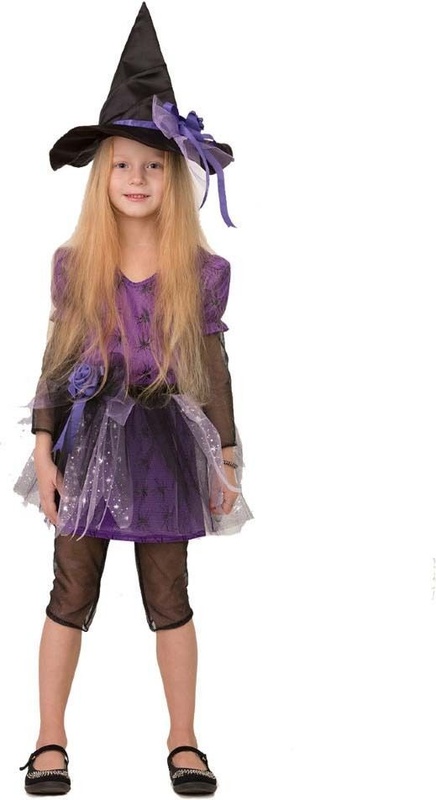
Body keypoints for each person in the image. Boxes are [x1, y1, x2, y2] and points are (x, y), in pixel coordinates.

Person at [15, 3, 252, 796]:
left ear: (174, 176)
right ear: (103, 174)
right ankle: (49, 738)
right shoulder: (76, 262)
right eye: (123, 165)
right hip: (86, 444)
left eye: (153, 165)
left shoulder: (202, 272)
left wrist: (225, 455)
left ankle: (184, 739)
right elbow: (56, 365)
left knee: (169, 593)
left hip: (163, 450)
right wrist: (43, 448)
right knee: (71, 588)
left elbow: (212, 369)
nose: (138, 179)